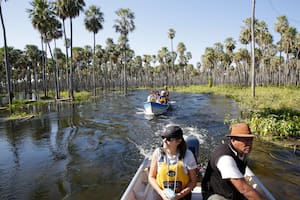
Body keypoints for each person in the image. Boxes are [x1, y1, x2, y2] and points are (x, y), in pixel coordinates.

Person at [201, 122, 264, 200]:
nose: (249, 144)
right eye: (245, 140)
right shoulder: (225, 158)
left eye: (251, 140)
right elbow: (244, 189)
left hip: (231, 190)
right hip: (215, 193)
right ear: (233, 140)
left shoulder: (242, 151)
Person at [148, 126, 198, 200]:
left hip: (182, 196)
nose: (164, 141)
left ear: (179, 141)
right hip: (161, 195)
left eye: (168, 139)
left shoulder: (188, 155)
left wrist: (178, 196)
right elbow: (151, 177)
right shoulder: (157, 153)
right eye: (163, 137)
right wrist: (161, 193)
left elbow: (193, 181)